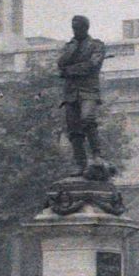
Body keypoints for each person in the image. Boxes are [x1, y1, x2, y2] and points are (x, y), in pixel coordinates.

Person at [57, 14, 108, 178]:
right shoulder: (69, 46)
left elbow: (92, 66)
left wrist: (70, 70)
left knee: (87, 119)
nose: (75, 30)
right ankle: (80, 164)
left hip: (88, 91)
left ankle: (97, 155)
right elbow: (61, 65)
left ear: (86, 28)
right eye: (73, 28)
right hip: (71, 92)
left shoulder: (96, 45)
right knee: (73, 129)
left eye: (78, 27)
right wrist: (73, 52)